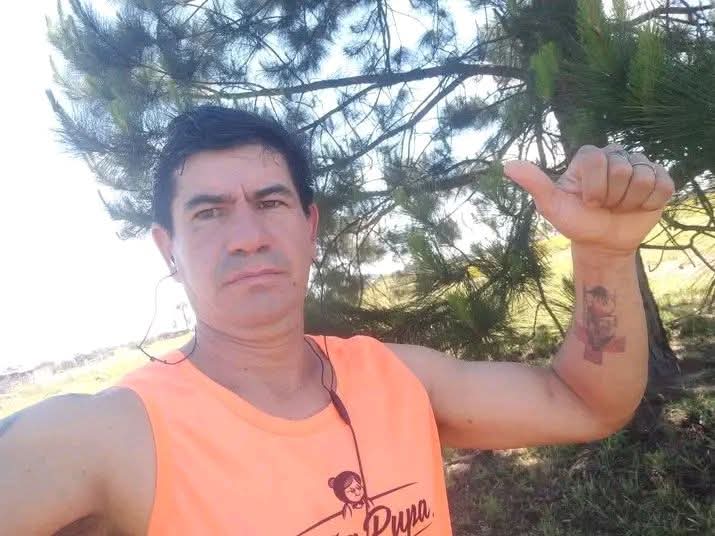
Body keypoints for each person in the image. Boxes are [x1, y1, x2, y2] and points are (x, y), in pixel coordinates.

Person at [0, 105, 675, 535]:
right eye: (207, 213)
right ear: (166, 249)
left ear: (310, 227)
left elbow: (587, 403)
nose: (247, 237)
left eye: (271, 202)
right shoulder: (110, 436)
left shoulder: (396, 380)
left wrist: (604, 253)